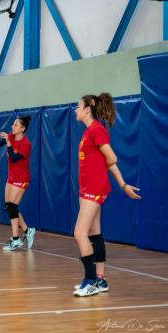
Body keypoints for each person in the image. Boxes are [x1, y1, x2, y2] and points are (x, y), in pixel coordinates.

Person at [72, 93, 141, 297]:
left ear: (87, 109)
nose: (76, 109)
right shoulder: (89, 132)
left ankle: (90, 280)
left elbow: (111, 158)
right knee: (94, 234)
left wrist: (122, 184)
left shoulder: (96, 130)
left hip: (95, 189)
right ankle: (100, 280)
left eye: (78, 106)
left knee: (79, 234)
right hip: (87, 189)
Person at [0, 116, 36, 251]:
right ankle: (28, 231)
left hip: (21, 178)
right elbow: (0, 143)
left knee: (12, 206)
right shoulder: (11, 137)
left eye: (16, 125)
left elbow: (15, 158)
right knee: (9, 207)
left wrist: (9, 144)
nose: (12, 127)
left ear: (23, 129)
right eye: (13, 124)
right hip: (11, 177)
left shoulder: (26, 144)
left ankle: (16, 239)